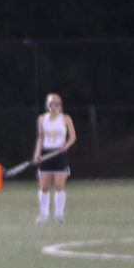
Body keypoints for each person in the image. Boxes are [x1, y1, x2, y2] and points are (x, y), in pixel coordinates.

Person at [32, 93, 77, 224]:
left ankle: (59, 214)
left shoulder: (66, 118)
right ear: (47, 105)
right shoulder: (42, 119)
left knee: (59, 186)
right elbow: (40, 138)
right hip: (46, 153)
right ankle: (44, 214)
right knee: (44, 186)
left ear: (61, 105)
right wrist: (37, 154)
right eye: (51, 103)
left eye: (57, 103)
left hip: (60, 154)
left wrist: (65, 146)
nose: (54, 106)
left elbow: (73, 137)